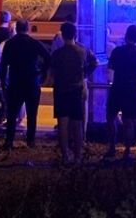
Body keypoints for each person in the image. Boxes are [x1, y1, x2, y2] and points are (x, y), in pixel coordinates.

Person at [49, 21, 97, 164]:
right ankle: (78, 155)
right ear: (75, 34)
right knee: (77, 124)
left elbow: (52, 71)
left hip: (61, 90)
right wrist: (85, 74)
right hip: (77, 89)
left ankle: (65, 155)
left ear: (62, 36)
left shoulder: (57, 54)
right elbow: (94, 63)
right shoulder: (83, 51)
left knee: (62, 124)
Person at [0, 19, 51, 150]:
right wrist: (42, 71)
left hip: (15, 81)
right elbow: (48, 57)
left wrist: (2, 81)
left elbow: (4, 64)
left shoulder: (10, 44)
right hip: (31, 80)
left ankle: (9, 141)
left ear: (17, 28)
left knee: (12, 114)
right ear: (27, 28)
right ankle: (30, 140)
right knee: (32, 113)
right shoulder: (34, 43)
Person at [105, 24, 136, 160]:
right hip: (132, 89)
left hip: (117, 87)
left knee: (111, 117)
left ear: (126, 35)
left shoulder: (118, 51)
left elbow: (111, 65)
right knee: (129, 121)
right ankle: (127, 151)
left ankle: (112, 146)